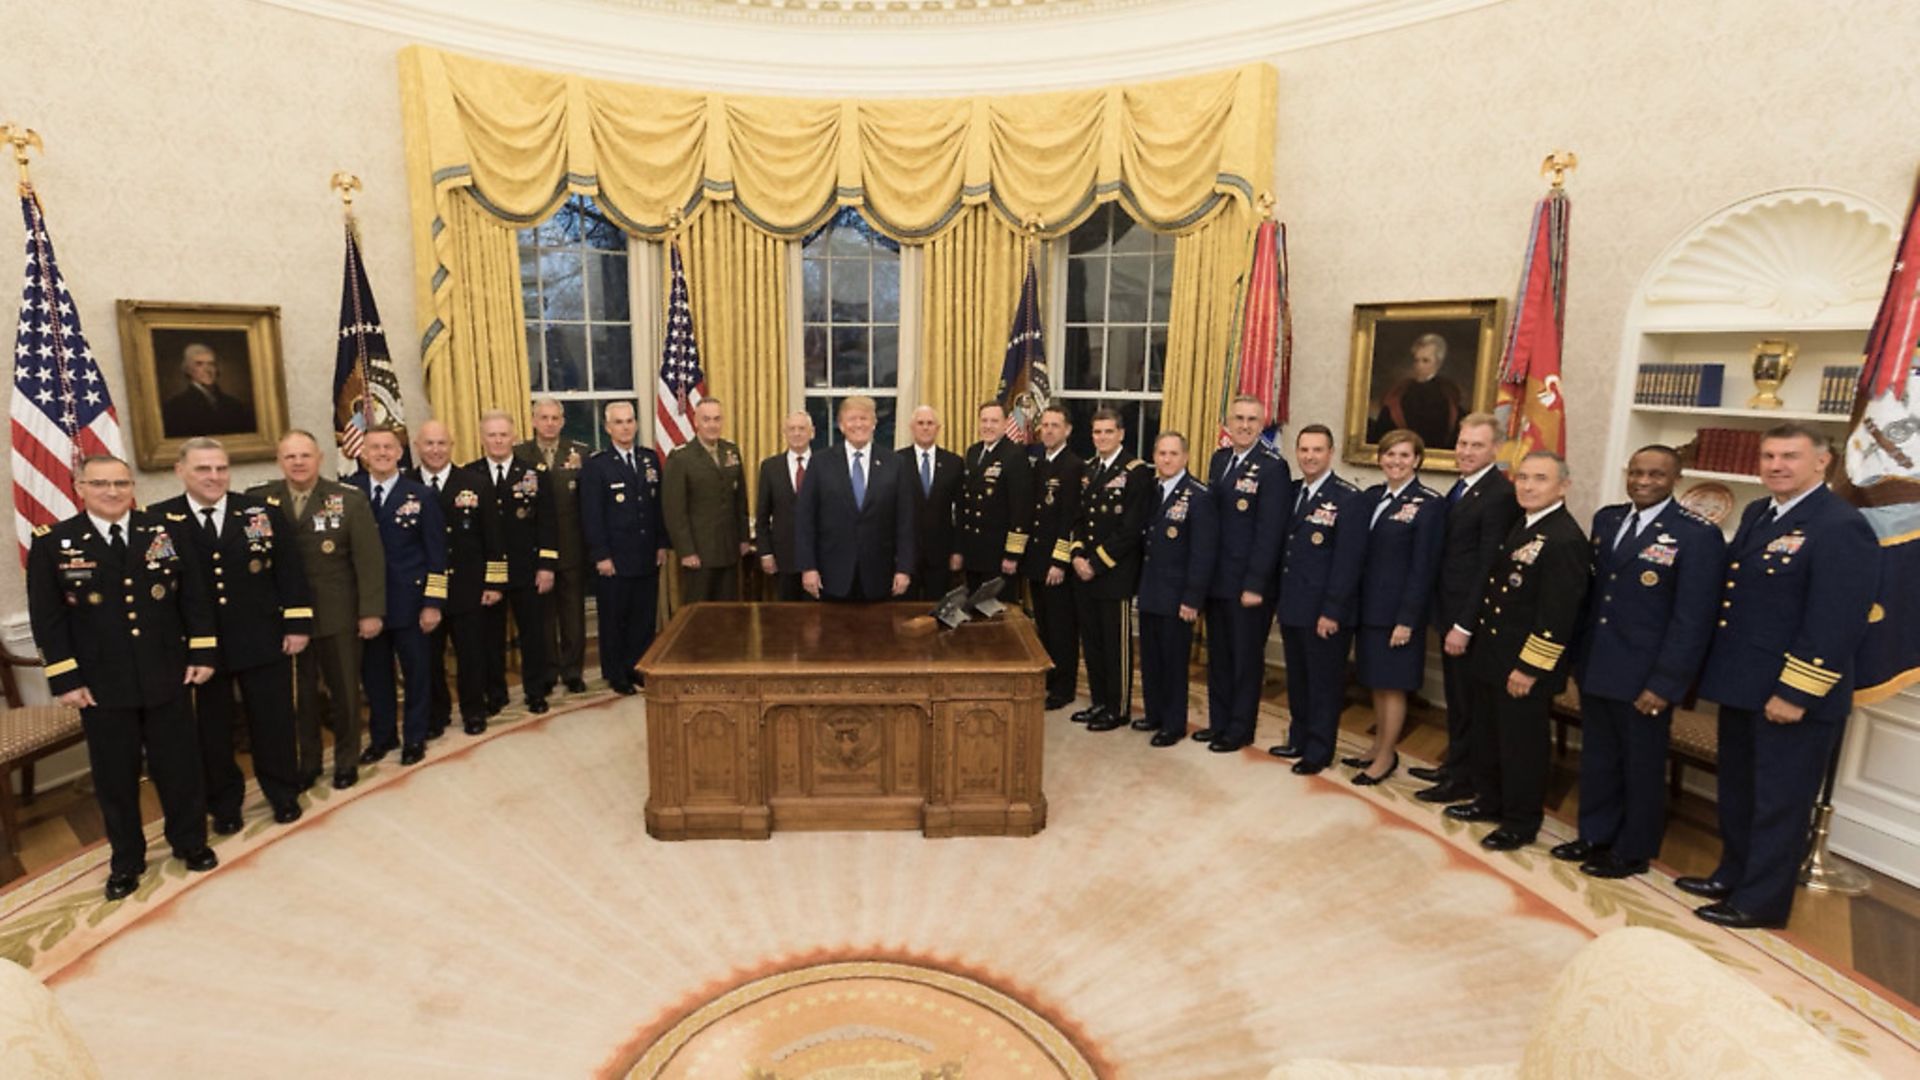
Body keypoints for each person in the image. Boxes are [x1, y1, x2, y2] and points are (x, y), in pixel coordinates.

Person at [1682, 424, 1880, 929]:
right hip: (1744, 684)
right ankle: (1733, 875)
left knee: (1779, 803)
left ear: (1822, 462)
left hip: (1791, 694)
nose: (1776, 465)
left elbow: (1835, 621)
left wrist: (1795, 692)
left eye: (1790, 456)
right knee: (1741, 793)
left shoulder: (1839, 524)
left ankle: (1760, 902)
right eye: (1768, 456)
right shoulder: (1759, 512)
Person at [26, 455, 220, 900]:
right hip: (100, 685)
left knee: (179, 767)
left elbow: (194, 598)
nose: (112, 492)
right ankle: (126, 861)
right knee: (115, 776)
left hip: (167, 671)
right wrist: (65, 678)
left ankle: (190, 842)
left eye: (120, 483)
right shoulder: (55, 542)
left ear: (132, 486)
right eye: (100, 484)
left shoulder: (164, 530)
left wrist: (203, 651)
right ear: (80, 487)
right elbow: (48, 620)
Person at [1560, 445, 1723, 878]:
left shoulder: (1696, 535)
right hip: (1599, 663)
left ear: (1676, 479)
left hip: (1647, 675)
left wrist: (1666, 684)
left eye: (1655, 474)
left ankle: (1632, 850)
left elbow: (1693, 619)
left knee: (1641, 766)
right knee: (1598, 758)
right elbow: (1596, 596)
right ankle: (1594, 835)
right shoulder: (1608, 519)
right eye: (1636, 472)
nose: (1643, 481)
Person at [153, 438, 310, 831]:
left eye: (221, 468)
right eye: (203, 469)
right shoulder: (160, 521)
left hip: (262, 637)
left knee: (273, 722)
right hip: (200, 650)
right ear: (180, 471)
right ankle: (224, 805)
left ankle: (282, 792)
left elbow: (289, 572)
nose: (214, 477)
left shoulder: (259, 512)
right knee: (212, 731)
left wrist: (297, 625)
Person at [1446, 451, 1588, 850]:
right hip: (1495, 656)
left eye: (1539, 479)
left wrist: (1529, 668)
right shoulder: (1525, 526)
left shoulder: (1563, 538)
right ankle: (1490, 801)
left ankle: (1521, 822)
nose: (1527, 486)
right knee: (1490, 737)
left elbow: (1557, 616)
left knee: (1521, 747)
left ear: (1563, 486)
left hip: (1524, 666)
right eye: (1522, 477)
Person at [250, 430, 384, 789]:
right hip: (286, 618)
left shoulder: (348, 499)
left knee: (344, 693)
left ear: (320, 458)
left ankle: (346, 760)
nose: (298, 462)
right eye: (290, 456)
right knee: (302, 698)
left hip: (337, 613)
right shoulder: (260, 501)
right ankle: (308, 763)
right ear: (280, 461)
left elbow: (368, 561)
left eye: (304, 456)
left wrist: (370, 611)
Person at [1413, 413, 1521, 805]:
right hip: (1448, 611)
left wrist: (1463, 624)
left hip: (1467, 620)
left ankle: (1464, 779)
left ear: (1496, 449)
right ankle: (1454, 767)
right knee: (1458, 702)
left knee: (1469, 704)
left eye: (1477, 445)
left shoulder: (1499, 494)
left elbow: (1487, 568)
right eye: (1462, 443)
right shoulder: (1464, 488)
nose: (1466, 452)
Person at [1194, 395, 1291, 753]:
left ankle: (1239, 729)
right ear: (1227, 422)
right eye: (1239, 418)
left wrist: (1255, 583)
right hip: (1217, 580)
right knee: (1218, 656)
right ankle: (1218, 722)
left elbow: (1270, 532)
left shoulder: (1272, 467)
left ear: (1262, 424)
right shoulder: (1220, 460)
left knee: (1245, 659)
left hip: (1248, 585)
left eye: (1252, 419)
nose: (1245, 425)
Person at [1347, 429, 1445, 785]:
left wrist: (1407, 618)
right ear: (1380, 459)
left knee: (1394, 686)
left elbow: (1424, 567)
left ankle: (1387, 756)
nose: (1396, 461)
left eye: (1404, 455)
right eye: (1389, 455)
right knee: (1376, 681)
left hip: (1399, 614)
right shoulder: (1373, 498)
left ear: (1417, 460)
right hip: (1370, 610)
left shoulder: (1429, 503)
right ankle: (1377, 745)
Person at [1269, 425, 1368, 775]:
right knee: (1298, 679)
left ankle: (1319, 750)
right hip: (1294, 604)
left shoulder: (1348, 499)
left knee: (1324, 683)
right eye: (1304, 450)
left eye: (1317, 450)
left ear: (1331, 453)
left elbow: (1348, 562)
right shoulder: (1294, 492)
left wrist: (1332, 610)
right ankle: (1298, 738)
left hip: (1325, 612)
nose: (1310, 456)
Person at [349, 425, 446, 766]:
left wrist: (433, 603)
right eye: (374, 447)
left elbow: (437, 555)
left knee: (417, 673)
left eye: (388, 447)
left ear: (400, 453)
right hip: (367, 606)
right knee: (375, 677)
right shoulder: (348, 493)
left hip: (411, 603)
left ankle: (415, 737)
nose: (382, 453)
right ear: (362, 453)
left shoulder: (421, 495)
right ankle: (383, 737)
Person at [578, 401, 670, 695]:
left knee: (643, 617)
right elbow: (591, 515)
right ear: (608, 428)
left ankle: (636, 667)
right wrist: (601, 555)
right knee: (614, 618)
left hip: (646, 554)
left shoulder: (648, 459)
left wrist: (661, 544)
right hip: (614, 558)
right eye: (618, 422)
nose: (625, 427)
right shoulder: (597, 465)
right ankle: (616, 672)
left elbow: (657, 507)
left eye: (630, 421)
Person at [1072, 409, 1155, 732]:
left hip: (1114, 573)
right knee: (1091, 642)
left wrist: (1095, 562)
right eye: (1097, 432)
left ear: (1121, 434)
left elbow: (1131, 529)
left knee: (1115, 644)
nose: (1102, 438)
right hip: (1085, 571)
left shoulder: (1135, 472)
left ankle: (1118, 708)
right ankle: (1098, 701)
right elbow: (1078, 518)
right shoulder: (1089, 469)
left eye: (1108, 432)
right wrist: (1078, 556)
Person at [412, 419, 495, 737]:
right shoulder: (405, 485)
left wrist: (493, 582)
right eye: (429, 443)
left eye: (441, 443)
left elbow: (492, 539)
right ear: (418, 446)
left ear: (452, 446)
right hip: (423, 592)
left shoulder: (474, 483)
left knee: (471, 655)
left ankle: (474, 710)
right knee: (429, 659)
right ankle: (437, 713)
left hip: (467, 588)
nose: (435, 450)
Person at [1134, 432, 1215, 747]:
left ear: (1185, 457)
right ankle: (1154, 713)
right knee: (1151, 659)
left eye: (1172, 454)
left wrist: (1192, 596)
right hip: (1152, 589)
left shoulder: (1199, 496)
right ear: (1155, 456)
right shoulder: (1153, 490)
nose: (1166, 459)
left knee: (1173, 662)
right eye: (1161, 454)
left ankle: (1173, 723)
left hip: (1178, 595)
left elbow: (1203, 552)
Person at [794, 395, 916, 602]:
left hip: (880, 576)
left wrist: (903, 569)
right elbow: (805, 520)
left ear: (874, 423)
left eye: (864, 418)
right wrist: (808, 567)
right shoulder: (820, 463)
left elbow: (905, 522)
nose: (858, 424)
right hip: (831, 576)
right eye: (851, 419)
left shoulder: (895, 464)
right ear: (841, 425)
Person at [475, 411, 555, 714]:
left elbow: (547, 523)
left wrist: (546, 565)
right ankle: (496, 693)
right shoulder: (470, 475)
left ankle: (536, 690)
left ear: (513, 437)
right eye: (492, 435)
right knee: (490, 638)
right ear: (483, 439)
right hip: (488, 575)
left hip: (527, 569)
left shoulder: (533, 473)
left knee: (533, 635)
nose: (498, 440)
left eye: (503, 435)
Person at [515, 398, 593, 693]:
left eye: (555, 418)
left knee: (573, 614)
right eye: (543, 417)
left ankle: (573, 670)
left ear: (563, 421)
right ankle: (547, 671)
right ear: (533, 420)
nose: (549, 423)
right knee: (542, 617)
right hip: (536, 552)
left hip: (573, 548)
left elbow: (588, 506)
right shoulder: (519, 454)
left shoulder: (580, 454)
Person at [1022, 404, 1084, 710]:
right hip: (1036, 559)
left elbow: (1070, 519)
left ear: (1068, 430)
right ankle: (1049, 677)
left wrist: (1059, 561)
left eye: (1055, 425)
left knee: (1061, 628)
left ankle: (1064, 688)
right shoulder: (1039, 463)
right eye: (1044, 425)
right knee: (1043, 624)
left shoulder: (1073, 466)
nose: (1048, 430)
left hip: (1055, 564)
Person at [662, 398, 751, 604]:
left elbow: (740, 500)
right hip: (699, 552)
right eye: (707, 419)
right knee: (698, 613)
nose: (712, 425)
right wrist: (686, 551)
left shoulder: (731, 451)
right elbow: (675, 511)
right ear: (696, 422)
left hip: (729, 548)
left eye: (717, 419)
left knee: (728, 613)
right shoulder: (681, 458)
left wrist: (743, 538)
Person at [952, 401, 1033, 594]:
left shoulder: (1015, 455)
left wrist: (1012, 554)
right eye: (984, 420)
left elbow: (1021, 509)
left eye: (994, 421)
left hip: (998, 554)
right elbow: (965, 505)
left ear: (1005, 424)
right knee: (973, 614)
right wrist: (960, 549)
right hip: (973, 553)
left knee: (997, 614)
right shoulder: (973, 452)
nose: (988, 426)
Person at [904, 405, 965, 603]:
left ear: (938, 428)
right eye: (920, 423)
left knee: (937, 614)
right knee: (905, 615)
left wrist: (957, 550)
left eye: (930, 423)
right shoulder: (896, 461)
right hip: (907, 555)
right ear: (912, 428)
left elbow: (961, 511)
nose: (925, 428)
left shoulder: (954, 463)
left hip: (941, 555)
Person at [754, 411, 815, 602]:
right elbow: (762, 516)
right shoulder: (770, 467)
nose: (797, 433)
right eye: (792, 429)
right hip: (783, 558)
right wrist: (765, 552)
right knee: (786, 620)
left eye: (802, 428)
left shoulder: (825, 465)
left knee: (817, 620)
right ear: (784, 433)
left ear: (812, 432)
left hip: (817, 560)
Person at [1368, 332, 1465, 449]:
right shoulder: (1401, 391)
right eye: (1416, 360)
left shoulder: (1448, 394)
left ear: (1438, 364)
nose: (1419, 366)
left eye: (1425, 361)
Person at [160, 342, 254, 437]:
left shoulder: (235, 405)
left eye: (211, 364)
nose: (207, 369)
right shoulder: (175, 407)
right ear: (187, 369)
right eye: (199, 364)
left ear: (217, 369)